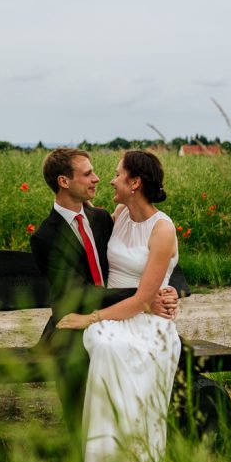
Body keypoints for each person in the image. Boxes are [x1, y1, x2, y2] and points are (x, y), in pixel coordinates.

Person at [55, 149, 182, 462]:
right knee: (106, 345)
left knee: (116, 348)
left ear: (134, 182)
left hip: (146, 321)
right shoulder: (120, 214)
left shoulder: (163, 229)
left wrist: (89, 317)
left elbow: (146, 298)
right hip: (115, 318)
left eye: (116, 174)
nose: (109, 180)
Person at [29, 148, 178, 439]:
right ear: (64, 181)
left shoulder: (103, 218)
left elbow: (144, 257)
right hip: (73, 318)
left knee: (125, 349)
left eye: (101, 172)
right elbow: (78, 295)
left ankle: (130, 433)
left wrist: (169, 291)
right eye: (87, 174)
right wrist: (143, 296)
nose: (98, 179)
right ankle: (82, 442)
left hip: (121, 316)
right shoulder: (46, 237)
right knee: (78, 358)